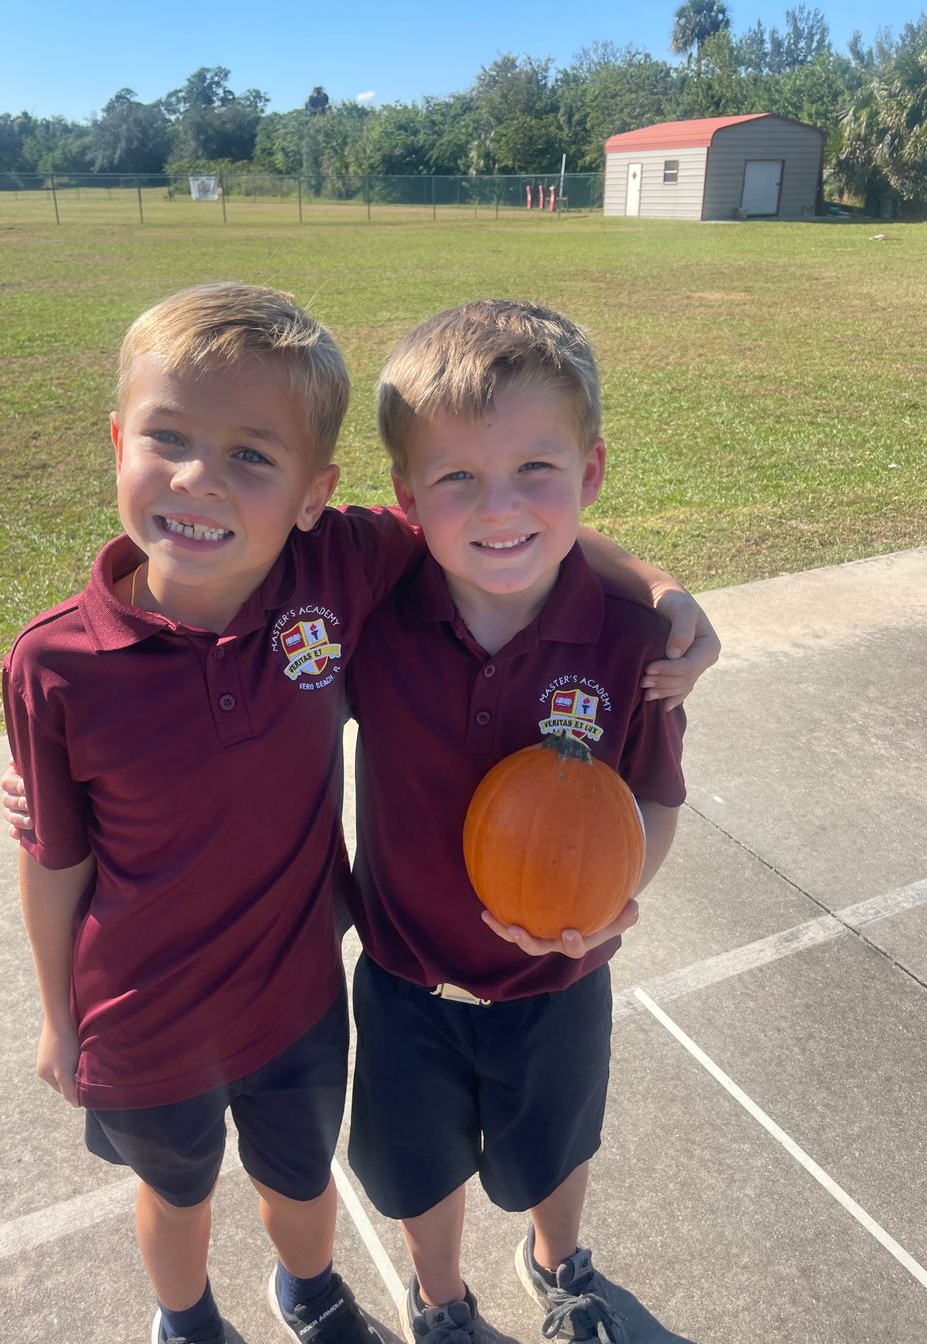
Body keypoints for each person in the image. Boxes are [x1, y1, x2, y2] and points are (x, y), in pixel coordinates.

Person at [1, 284, 716, 1344]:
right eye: (169, 439)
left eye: (251, 454)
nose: (202, 479)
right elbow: (64, 827)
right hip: (302, 990)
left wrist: (661, 594)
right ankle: (343, 1305)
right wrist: (58, 1001)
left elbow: (533, 541)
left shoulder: (545, 621)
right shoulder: (333, 603)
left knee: (512, 1153)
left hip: (443, 985)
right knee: (315, 1177)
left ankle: (485, 1273)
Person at [343, 299, 690, 1344]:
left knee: (557, 1146)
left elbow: (655, 798)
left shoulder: (631, 641)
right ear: (408, 500)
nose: (499, 509)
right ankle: (440, 1296)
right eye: (456, 478)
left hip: (561, 978)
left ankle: (558, 1260)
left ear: (588, 476)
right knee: (416, 1164)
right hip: (409, 976)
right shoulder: (376, 612)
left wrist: (608, 905)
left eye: (537, 470)